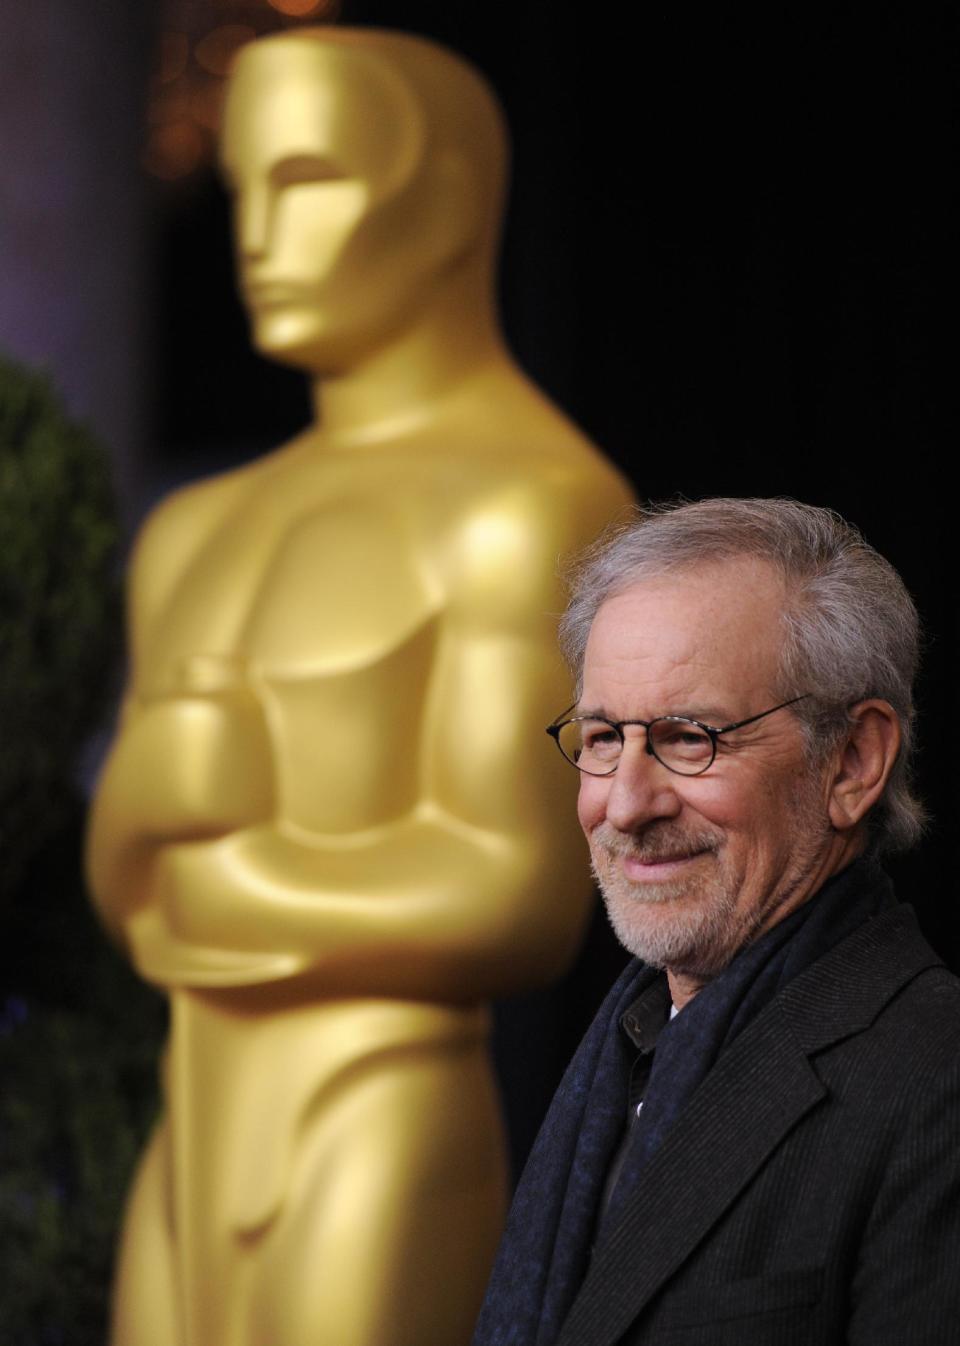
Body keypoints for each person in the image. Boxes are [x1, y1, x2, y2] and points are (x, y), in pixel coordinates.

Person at [86, 28, 632, 1346]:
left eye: (311, 177)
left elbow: (519, 896)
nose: (260, 236)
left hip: (379, 1108)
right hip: (194, 1118)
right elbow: (123, 883)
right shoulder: (194, 531)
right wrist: (150, 804)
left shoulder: (528, 503)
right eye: (244, 190)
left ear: (441, 198)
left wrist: (227, 875)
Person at [473, 497, 960, 1346]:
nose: (625, 804)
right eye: (601, 738)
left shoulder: (936, 1080)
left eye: (689, 738)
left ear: (852, 761)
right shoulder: (625, 1049)